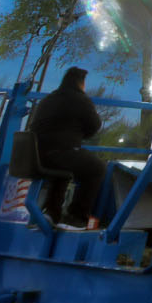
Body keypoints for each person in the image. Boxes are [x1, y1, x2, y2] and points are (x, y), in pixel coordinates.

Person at [27, 66, 105, 227]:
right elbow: (94, 125)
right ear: (81, 83)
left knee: (65, 167)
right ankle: (77, 216)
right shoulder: (80, 99)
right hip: (59, 154)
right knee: (97, 168)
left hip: (34, 155)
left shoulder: (48, 99)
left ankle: (52, 212)